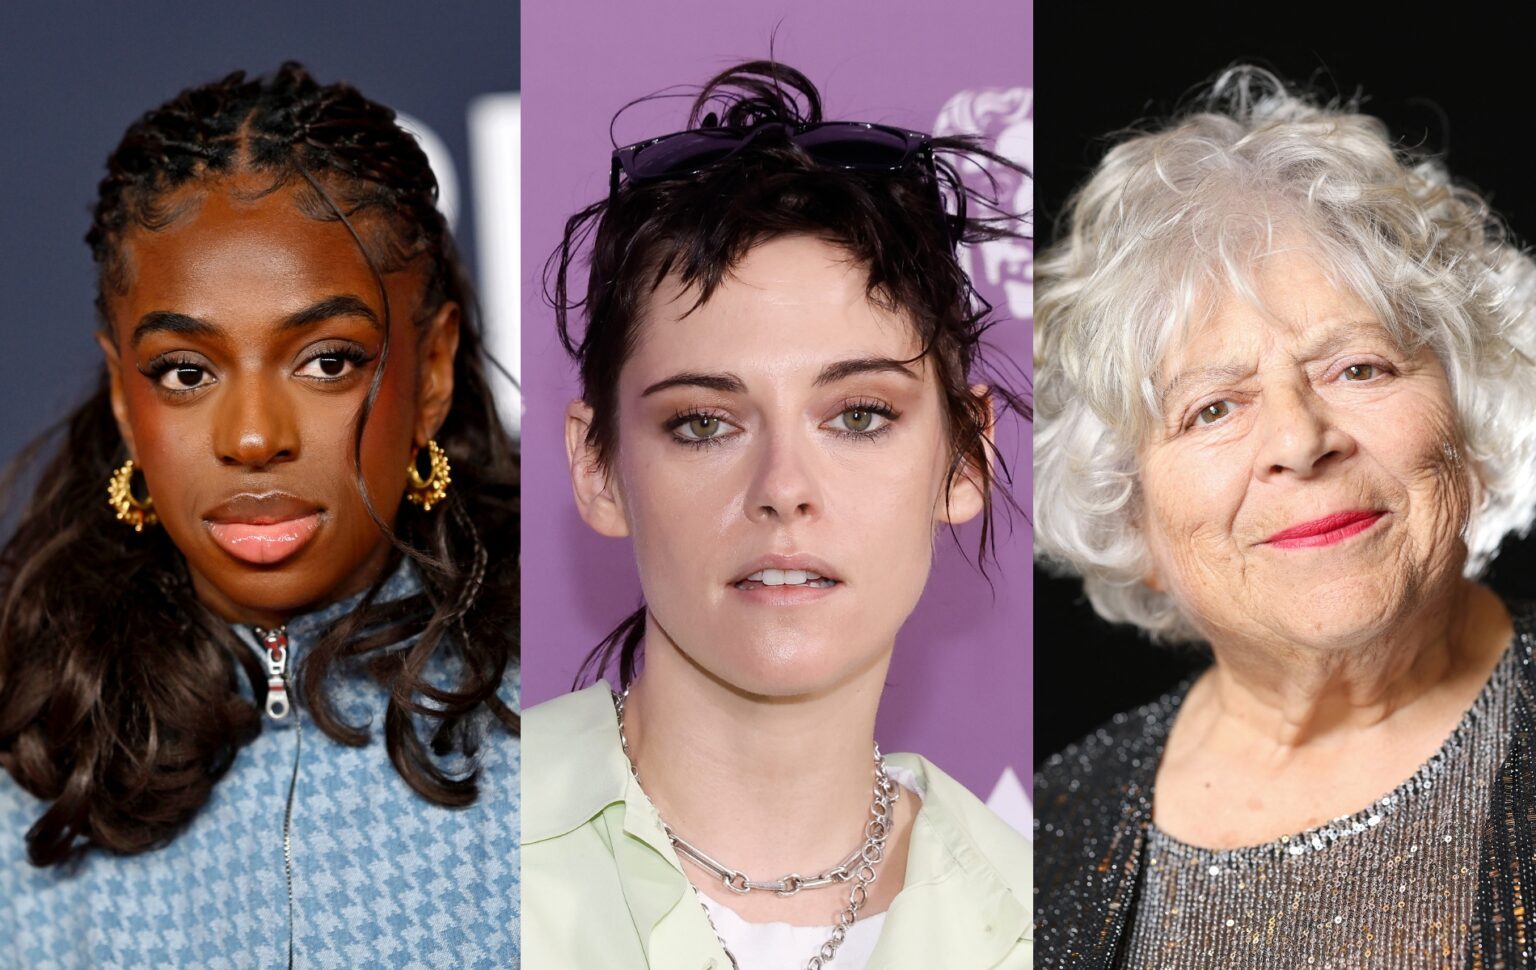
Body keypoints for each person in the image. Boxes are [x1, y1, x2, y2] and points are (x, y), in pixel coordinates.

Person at [0, 63, 520, 967]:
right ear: (125, 398)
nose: (250, 438)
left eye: (327, 362)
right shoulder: (26, 752)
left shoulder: (588, 731)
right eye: (184, 373)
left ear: (431, 373)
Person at [521, 62, 1032, 968]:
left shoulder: (1040, 921)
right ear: (598, 467)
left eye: (860, 416)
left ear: (965, 456)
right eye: (704, 423)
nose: (784, 485)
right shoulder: (451, 849)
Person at [1032, 67, 1536, 967]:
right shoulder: (1045, 834)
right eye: (1213, 409)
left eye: (1359, 369)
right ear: (1130, 514)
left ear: (1474, 418)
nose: (1300, 442)